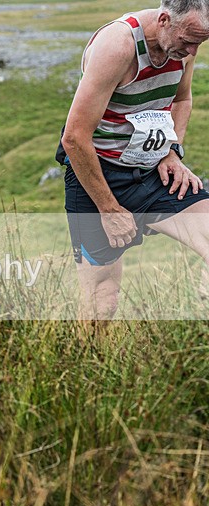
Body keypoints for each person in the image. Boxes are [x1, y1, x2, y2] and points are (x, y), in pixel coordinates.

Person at [60, 0, 209, 320]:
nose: (193, 51)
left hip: (153, 170)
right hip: (98, 175)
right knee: (103, 301)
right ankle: (85, 352)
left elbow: (182, 99)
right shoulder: (118, 46)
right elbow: (73, 138)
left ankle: (197, 336)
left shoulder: (182, 48)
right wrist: (109, 209)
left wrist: (172, 151)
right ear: (164, 19)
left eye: (200, 43)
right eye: (188, 41)